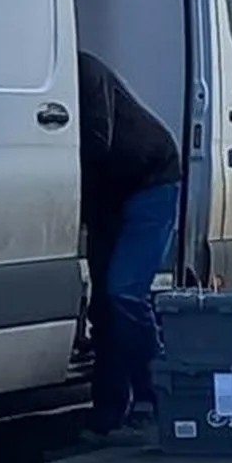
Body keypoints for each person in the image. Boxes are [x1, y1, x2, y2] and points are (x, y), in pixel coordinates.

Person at [77, 52, 183, 438]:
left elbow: (96, 143)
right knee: (106, 302)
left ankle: (154, 396)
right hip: (109, 196)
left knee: (124, 291)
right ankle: (107, 412)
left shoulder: (84, 72)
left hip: (150, 181)